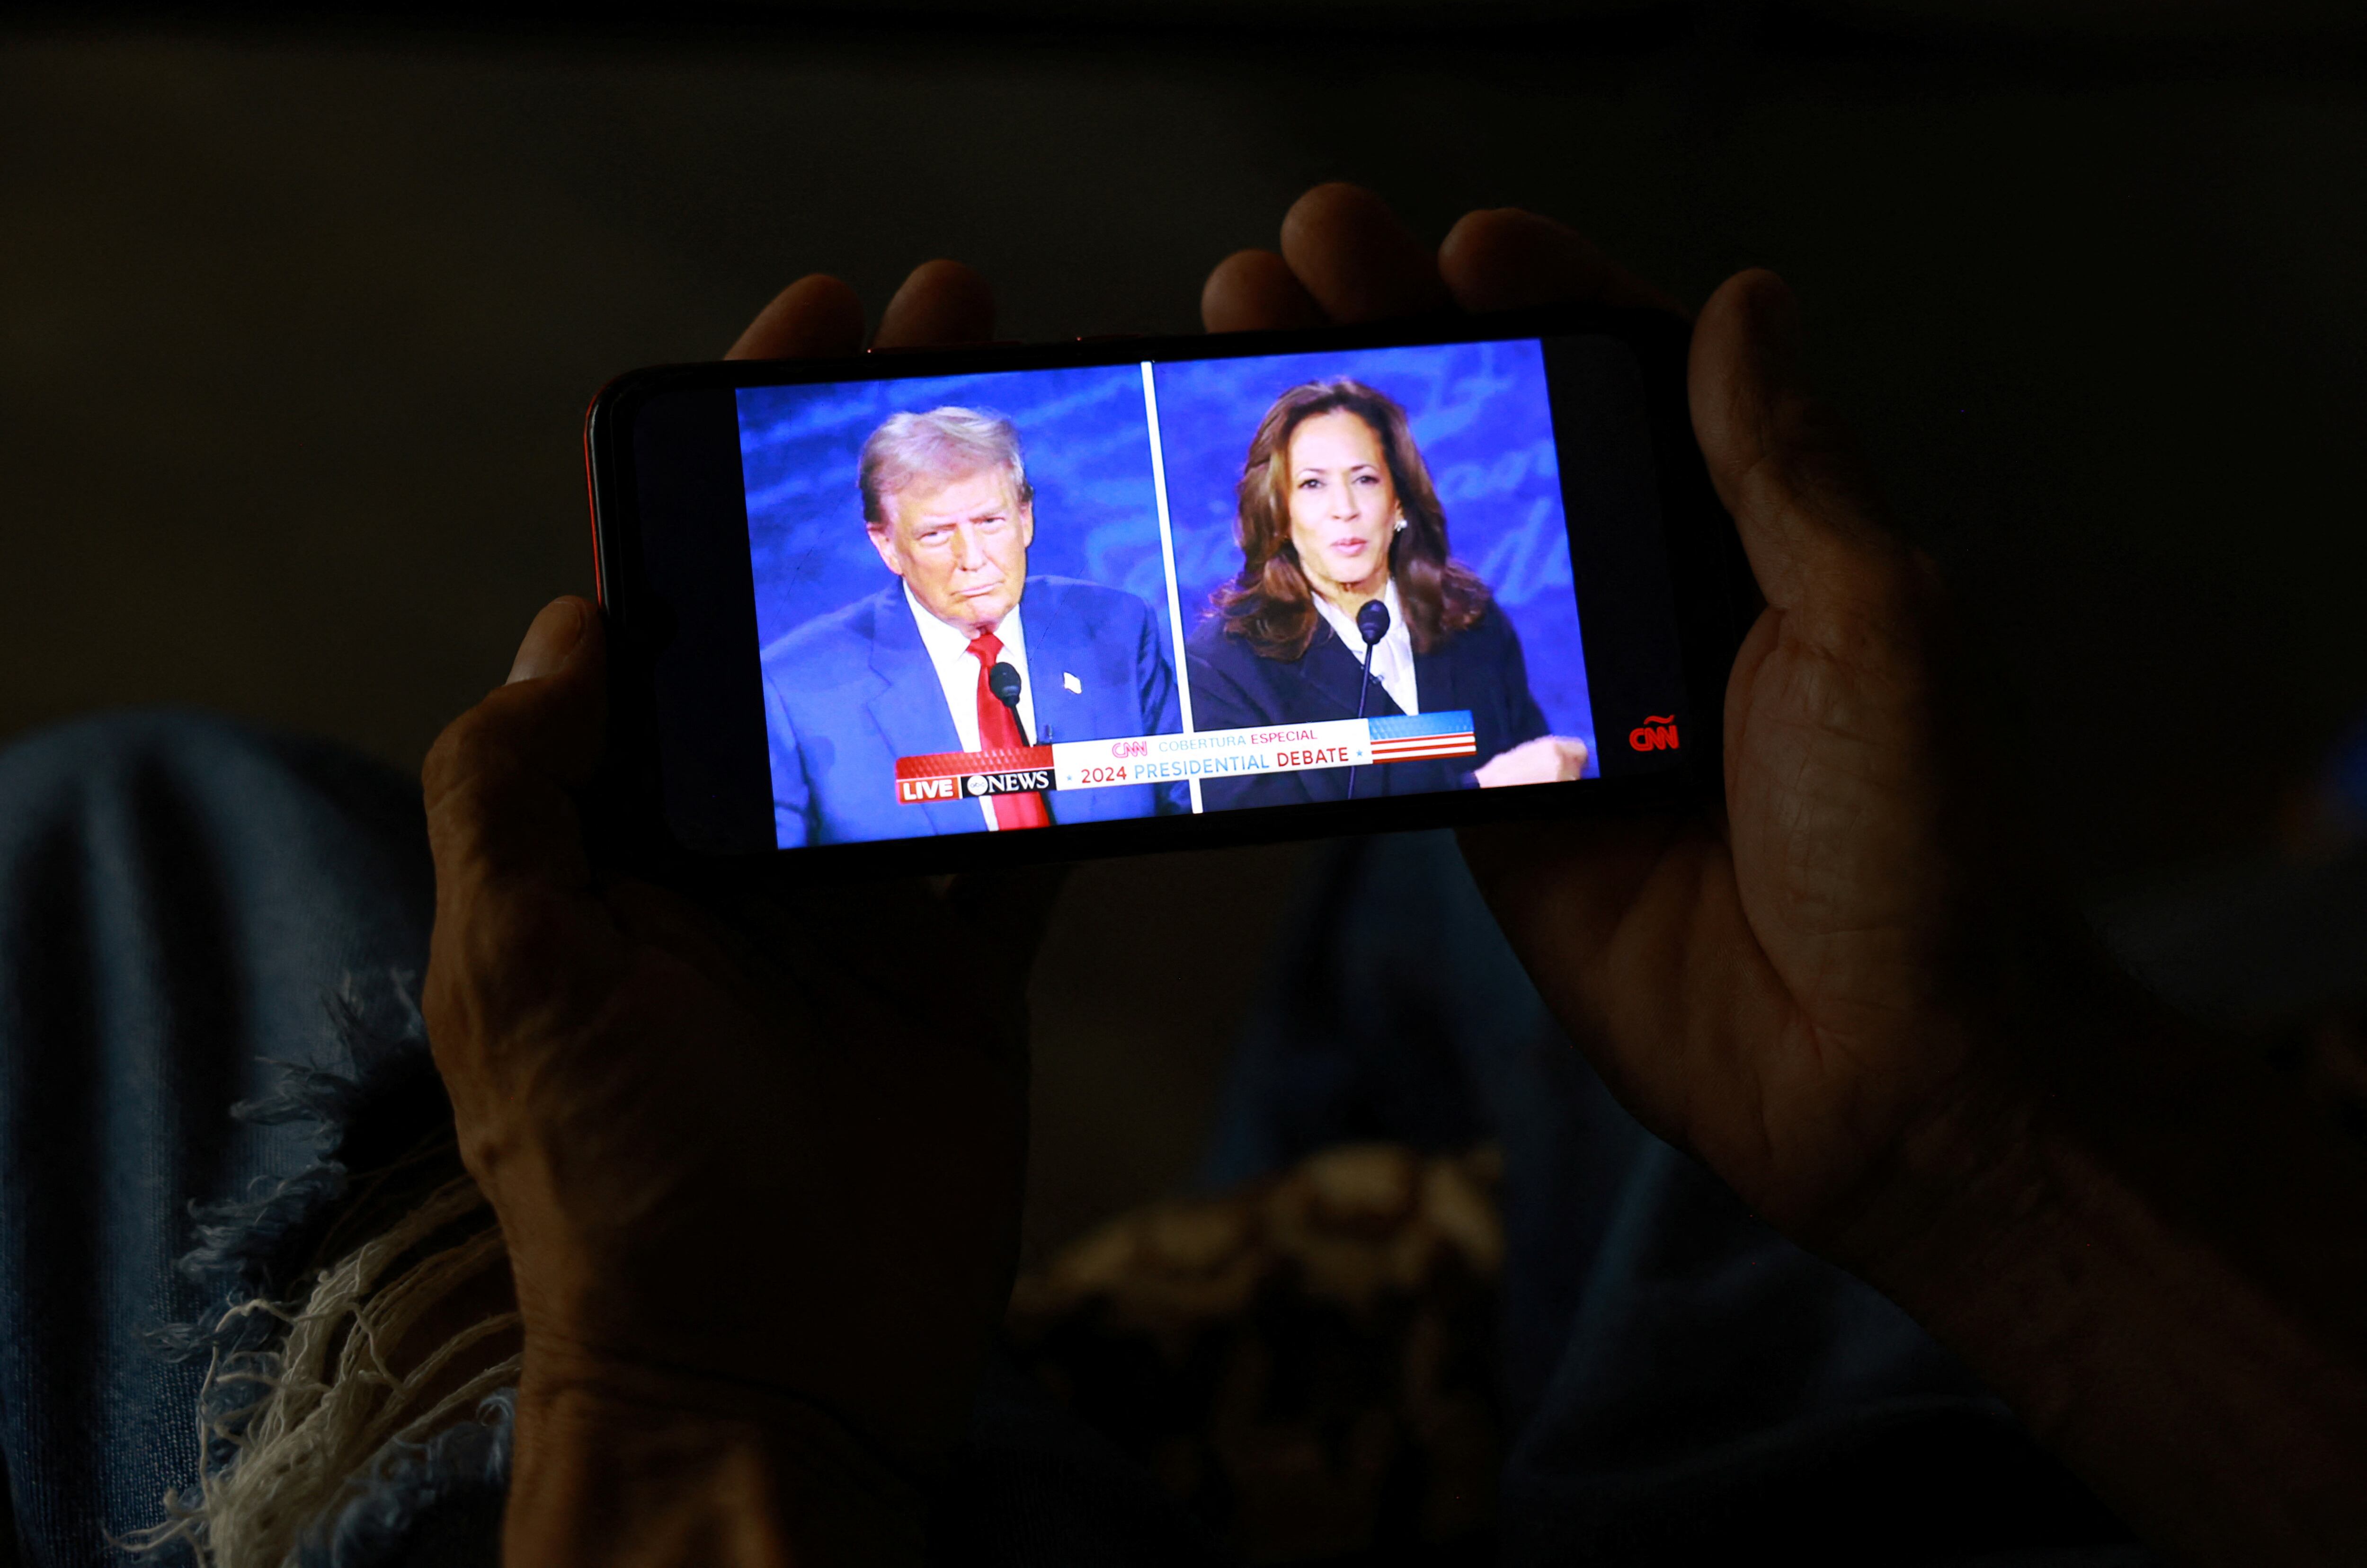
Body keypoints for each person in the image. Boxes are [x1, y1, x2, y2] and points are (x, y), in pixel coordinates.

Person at [1, 197, 2363, 1567]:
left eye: (1000, 509)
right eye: (929, 521)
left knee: (129, 846)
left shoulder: (1299, 641)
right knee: (1459, 897)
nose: (979, 540)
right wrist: (1982, 1138)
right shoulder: (1088, 670)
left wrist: (699, 1394)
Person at [761, 405, 1184, 845]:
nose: (974, 558)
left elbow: (1192, 807)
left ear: (1025, 519)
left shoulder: (1115, 628)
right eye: (937, 534)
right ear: (887, 545)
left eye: (989, 522)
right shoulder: (792, 689)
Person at [1185, 378, 1591, 809]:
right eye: (1312, 485)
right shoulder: (1223, 666)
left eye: (1364, 479)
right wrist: (1473, 791)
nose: (1345, 508)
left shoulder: (1473, 621)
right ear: (1280, 513)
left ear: (1398, 500)